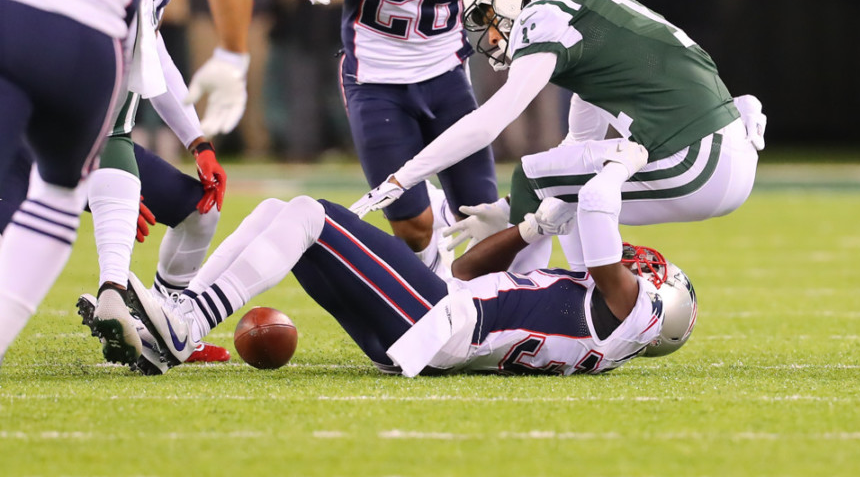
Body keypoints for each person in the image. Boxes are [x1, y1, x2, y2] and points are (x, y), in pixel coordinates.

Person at [351, 0, 766, 283]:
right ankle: (586, 294)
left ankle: (529, 300)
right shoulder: (587, 12)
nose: (491, 34)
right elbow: (576, 150)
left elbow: (490, 122)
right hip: (722, 151)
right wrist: (508, 208)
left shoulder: (544, 14)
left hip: (696, 158)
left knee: (534, 174)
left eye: (488, 14)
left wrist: (402, 177)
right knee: (557, 186)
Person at [0, 0, 253, 366]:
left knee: (201, 204)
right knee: (56, 192)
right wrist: (233, 56)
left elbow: (150, 55)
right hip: (81, 71)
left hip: (27, 42)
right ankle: (114, 284)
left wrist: (197, 140)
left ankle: (165, 317)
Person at [121, 194, 697, 376]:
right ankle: (180, 316)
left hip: (440, 322)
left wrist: (607, 172)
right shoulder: (593, 311)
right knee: (281, 208)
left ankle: (188, 323)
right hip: (438, 325)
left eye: (653, 274)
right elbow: (468, 273)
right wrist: (530, 227)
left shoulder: (633, 312)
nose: (639, 265)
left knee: (309, 214)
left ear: (658, 304)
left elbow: (598, 214)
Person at [277, 0, 529, 277]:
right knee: (413, 229)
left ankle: (469, 296)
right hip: (374, 77)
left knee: (481, 216)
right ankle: (435, 288)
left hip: (446, 71)